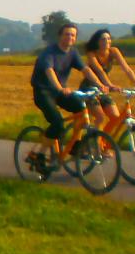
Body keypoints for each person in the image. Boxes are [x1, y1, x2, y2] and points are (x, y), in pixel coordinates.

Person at [29, 23, 106, 161]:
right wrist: (60, 88)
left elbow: (85, 70)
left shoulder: (73, 53)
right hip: (43, 92)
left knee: (81, 108)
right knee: (58, 123)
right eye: (67, 34)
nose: (70, 37)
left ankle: (75, 145)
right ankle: (40, 154)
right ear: (60, 36)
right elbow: (49, 71)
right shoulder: (49, 52)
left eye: (73, 35)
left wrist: (100, 85)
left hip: (60, 92)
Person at [80, 29, 135, 129]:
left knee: (115, 117)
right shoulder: (92, 54)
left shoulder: (113, 51)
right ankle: (95, 138)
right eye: (103, 39)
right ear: (97, 42)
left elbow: (127, 69)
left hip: (104, 88)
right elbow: (100, 71)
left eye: (109, 38)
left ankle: (105, 138)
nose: (107, 41)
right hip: (89, 88)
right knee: (100, 117)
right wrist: (111, 85)